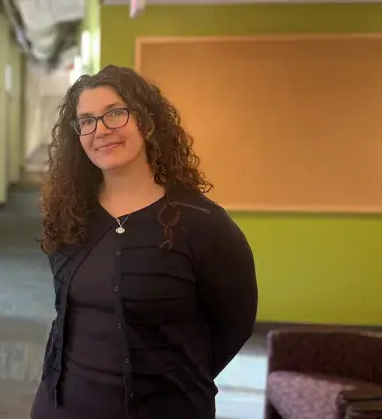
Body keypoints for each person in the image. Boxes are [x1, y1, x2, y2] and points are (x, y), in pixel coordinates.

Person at [31, 65, 258, 419]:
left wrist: (178, 378)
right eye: (87, 121)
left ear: (146, 121)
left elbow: (236, 323)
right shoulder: (70, 216)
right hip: (64, 406)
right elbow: (67, 317)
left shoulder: (202, 223)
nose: (101, 130)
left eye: (115, 114)